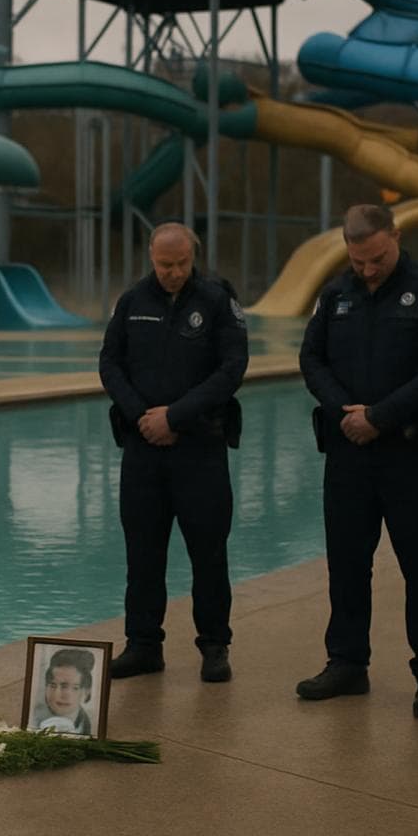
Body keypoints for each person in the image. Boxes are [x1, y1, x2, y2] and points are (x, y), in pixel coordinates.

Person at [294, 204, 418, 719]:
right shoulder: (335, 293)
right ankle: (347, 662)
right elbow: (310, 359)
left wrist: (380, 417)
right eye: (358, 260)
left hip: (407, 453)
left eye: (377, 258)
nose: (367, 269)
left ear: (396, 236)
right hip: (348, 452)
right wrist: (345, 411)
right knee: (346, 564)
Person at [98, 223, 248, 682]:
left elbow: (232, 367)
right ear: (150, 257)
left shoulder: (217, 300)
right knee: (142, 553)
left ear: (192, 255)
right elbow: (110, 362)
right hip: (144, 451)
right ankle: (143, 644)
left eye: (182, 263)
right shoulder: (132, 302)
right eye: (165, 264)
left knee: (209, 554)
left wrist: (175, 416)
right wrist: (144, 415)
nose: (174, 272)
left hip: (200, 448)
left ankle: (214, 645)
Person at [28, 648, 96, 736]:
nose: (57, 694)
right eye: (52, 685)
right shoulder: (33, 721)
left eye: (67, 687)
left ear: (86, 692)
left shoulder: (91, 725)